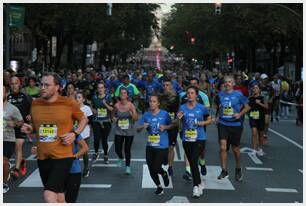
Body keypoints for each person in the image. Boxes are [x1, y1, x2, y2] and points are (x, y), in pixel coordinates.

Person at [21, 72, 88, 203]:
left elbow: (83, 119)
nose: (42, 88)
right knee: (58, 195)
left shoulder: (68, 103)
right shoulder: (35, 104)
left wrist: (74, 134)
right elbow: (36, 125)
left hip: (63, 156)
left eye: (47, 85)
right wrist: (31, 128)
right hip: (43, 156)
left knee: (49, 195)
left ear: (57, 87)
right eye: (41, 84)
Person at [177, 86, 212, 198]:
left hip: (199, 138)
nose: (190, 95)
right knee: (192, 163)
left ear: (196, 95)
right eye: (188, 93)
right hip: (186, 138)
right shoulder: (182, 107)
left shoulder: (202, 108)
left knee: (193, 160)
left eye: (192, 93)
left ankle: (196, 186)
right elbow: (179, 122)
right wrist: (179, 118)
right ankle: (199, 182)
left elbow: (210, 120)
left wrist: (202, 123)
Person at [215, 75, 250, 182]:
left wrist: (239, 114)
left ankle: (238, 168)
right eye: (226, 82)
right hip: (223, 123)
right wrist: (217, 116)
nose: (227, 83)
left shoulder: (238, 94)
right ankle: (224, 170)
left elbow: (248, 107)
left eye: (230, 82)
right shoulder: (220, 95)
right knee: (223, 147)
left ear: (233, 84)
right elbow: (219, 107)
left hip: (235, 125)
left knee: (235, 149)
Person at [137, 95, 172, 195]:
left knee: (156, 167)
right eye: (150, 101)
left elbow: (172, 125)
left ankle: (164, 173)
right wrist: (142, 127)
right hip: (150, 145)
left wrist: (165, 127)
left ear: (158, 103)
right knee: (150, 168)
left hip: (162, 145)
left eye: (154, 101)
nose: (152, 103)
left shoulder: (164, 114)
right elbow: (138, 129)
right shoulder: (146, 115)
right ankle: (159, 187)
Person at [8, 76, 32, 178]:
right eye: (12, 84)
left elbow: (34, 107)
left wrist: (31, 114)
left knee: (18, 146)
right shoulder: (7, 96)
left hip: (22, 126)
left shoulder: (26, 96)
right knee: (12, 148)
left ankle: (16, 170)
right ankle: (22, 161)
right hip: (9, 127)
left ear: (20, 84)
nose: (14, 86)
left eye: (16, 83)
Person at [3, 85, 24, 193]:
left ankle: (4, 183)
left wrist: (14, 123)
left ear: (6, 94)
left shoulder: (12, 108)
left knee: (4, 161)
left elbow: (21, 122)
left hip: (8, 139)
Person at [113, 88, 138, 174]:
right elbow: (113, 113)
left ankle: (128, 167)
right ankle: (120, 157)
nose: (123, 94)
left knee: (127, 149)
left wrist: (132, 113)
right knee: (117, 148)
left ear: (127, 95)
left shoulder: (131, 105)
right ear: (119, 95)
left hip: (129, 131)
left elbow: (136, 119)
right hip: (119, 130)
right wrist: (114, 118)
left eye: (124, 93)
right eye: (121, 93)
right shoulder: (116, 105)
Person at [159, 78, 180, 176]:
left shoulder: (177, 97)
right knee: (163, 147)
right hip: (163, 125)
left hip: (173, 125)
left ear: (171, 86)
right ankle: (164, 159)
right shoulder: (160, 97)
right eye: (164, 85)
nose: (165, 87)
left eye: (167, 85)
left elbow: (181, 110)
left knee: (171, 147)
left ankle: (170, 166)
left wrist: (179, 121)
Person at [91, 81, 114, 163]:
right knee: (96, 139)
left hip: (106, 121)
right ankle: (96, 152)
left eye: (102, 88)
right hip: (97, 121)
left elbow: (111, 109)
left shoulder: (108, 97)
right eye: (99, 88)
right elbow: (92, 107)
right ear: (97, 89)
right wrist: (94, 111)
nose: (100, 89)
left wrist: (105, 104)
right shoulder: (94, 97)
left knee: (104, 139)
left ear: (104, 89)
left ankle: (105, 155)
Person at [76, 91, 93, 177]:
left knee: (84, 151)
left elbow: (91, 121)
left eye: (79, 97)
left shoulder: (87, 108)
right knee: (76, 151)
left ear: (83, 99)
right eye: (76, 97)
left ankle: (86, 168)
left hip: (85, 133)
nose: (77, 99)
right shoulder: (73, 108)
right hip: (75, 133)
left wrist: (84, 121)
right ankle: (75, 169)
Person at [248, 84, 268, 156]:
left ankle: (260, 149)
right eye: (254, 88)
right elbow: (248, 107)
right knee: (254, 133)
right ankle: (253, 149)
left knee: (260, 135)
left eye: (256, 88)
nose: (255, 89)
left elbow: (266, 107)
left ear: (259, 90)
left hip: (261, 118)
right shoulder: (250, 98)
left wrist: (259, 103)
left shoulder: (263, 98)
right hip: (253, 118)